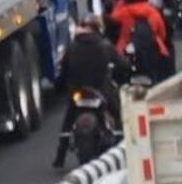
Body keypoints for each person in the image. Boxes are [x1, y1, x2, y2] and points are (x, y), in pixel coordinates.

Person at [52, 16, 128, 168]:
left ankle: (60, 157)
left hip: (77, 92)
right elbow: (122, 65)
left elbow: (63, 72)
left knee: (68, 120)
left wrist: (59, 87)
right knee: (117, 114)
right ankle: (124, 148)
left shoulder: (72, 47)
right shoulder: (104, 45)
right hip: (101, 90)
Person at [110, 0, 172, 83]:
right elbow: (162, 33)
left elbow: (110, 32)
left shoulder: (118, 12)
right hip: (150, 57)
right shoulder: (152, 12)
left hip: (123, 56)